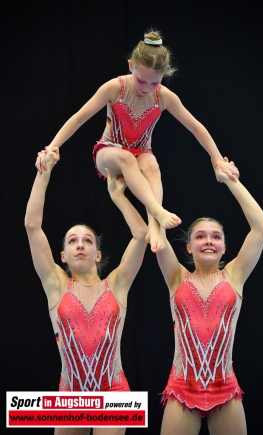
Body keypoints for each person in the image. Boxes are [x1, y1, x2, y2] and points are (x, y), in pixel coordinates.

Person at [37, 29, 239, 253]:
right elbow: (79, 118)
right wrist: (53, 146)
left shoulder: (165, 97)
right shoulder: (115, 88)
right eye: (142, 81)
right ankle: (157, 210)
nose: (146, 89)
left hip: (142, 152)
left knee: (151, 164)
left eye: (154, 83)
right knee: (126, 158)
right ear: (131, 66)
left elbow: (196, 127)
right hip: (109, 152)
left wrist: (218, 160)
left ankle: (155, 226)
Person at [25, 147, 148, 435]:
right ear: (63, 256)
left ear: (97, 254)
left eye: (87, 241)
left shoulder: (117, 284)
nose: (80, 244)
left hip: (114, 391)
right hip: (70, 392)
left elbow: (141, 235)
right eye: (72, 241)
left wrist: (118, 196)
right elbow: (32, 226)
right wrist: (44, 173)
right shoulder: (56, 285)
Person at [156, 159, 263, 435]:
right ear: (188, 247)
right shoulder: (176, 277)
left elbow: (261, 228)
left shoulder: (235, 275)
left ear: (224, 247)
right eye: (200, 237)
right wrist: (154, 205)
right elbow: (154, 230)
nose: (208, 241)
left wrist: (230, 180)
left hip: (225, 387)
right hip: (183, 388)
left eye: (216, 237)